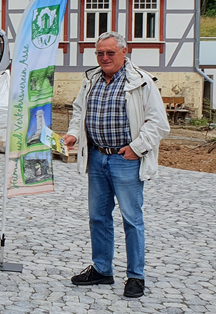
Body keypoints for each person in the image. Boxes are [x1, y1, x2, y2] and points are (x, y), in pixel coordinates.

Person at [63, 31, 170, 298]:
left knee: (132, 219)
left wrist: (136, 148)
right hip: (97, 157)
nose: (104, 57)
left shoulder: (141, 82)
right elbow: (79, 113)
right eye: (100, 53)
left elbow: (159, 124)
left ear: (124, 51)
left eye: (110, 52)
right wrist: (74, 133)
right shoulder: (91, 81)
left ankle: (136, 276)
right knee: (98, 217)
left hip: (125, 160)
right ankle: (102, 269)